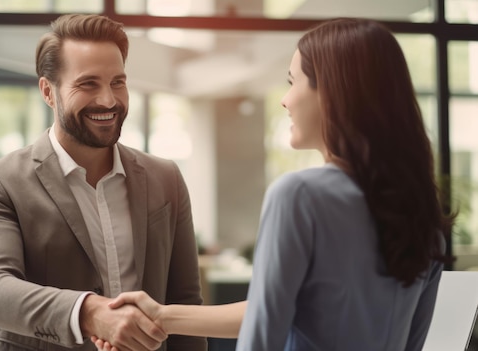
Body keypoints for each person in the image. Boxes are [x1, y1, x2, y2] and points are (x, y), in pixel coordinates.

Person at [93, 17, 453, 351]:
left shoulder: (299, 195)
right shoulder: (422, 213)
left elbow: (262, 336)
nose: (285, 100)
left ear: (332, 91)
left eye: (293, 82)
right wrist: (161, 316)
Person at [0, 13, 207, 351]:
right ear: (49, 92)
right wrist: (90, 312)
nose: (108, 100)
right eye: (88, 83)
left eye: (117, 82)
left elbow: (184, 304)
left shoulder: (165, 177)